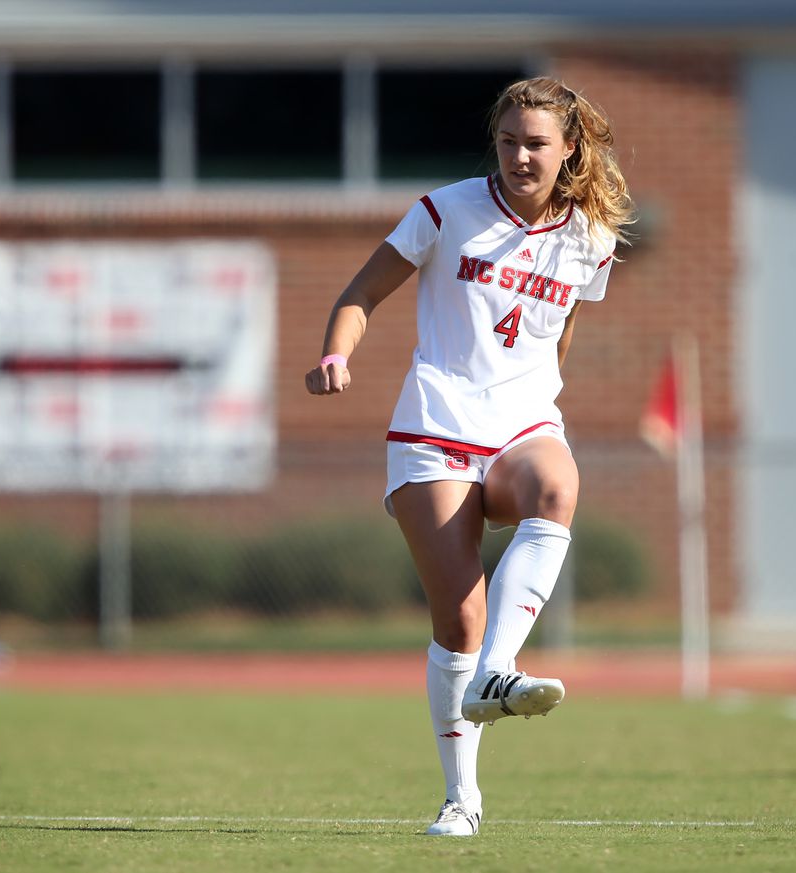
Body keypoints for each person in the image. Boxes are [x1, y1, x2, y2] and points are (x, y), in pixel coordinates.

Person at [304, 77, 633, 837]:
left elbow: (563, 330)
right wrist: (334, 353)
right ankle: (462, 798)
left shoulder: (592, 238)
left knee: (559, 481)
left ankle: (498, 667)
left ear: (569, 148)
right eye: (510, 140)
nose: (521, 155)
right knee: (459, 615)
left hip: (522, 423)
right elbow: (360, 294)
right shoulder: (443, 210)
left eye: (537, 143)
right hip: (437, 424)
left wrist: (546, 397)